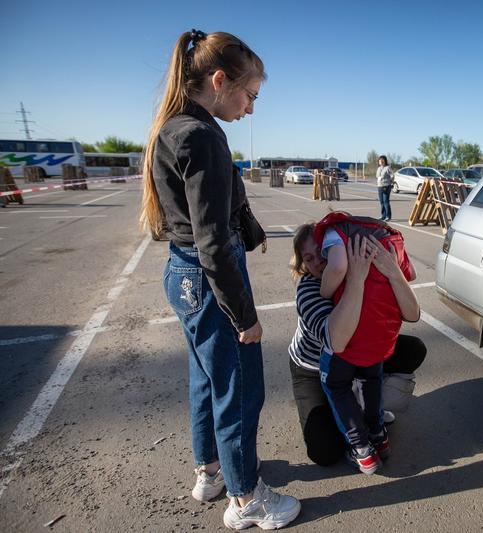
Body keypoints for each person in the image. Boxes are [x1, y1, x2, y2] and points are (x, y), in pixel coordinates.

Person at [140, 29, 300, 529]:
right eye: (250, 95)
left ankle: (212, 471)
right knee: (238, 386)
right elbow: (211, 240)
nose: (251, 108)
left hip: (184, 274)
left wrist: (249, 231)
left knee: (205, 380)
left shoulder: (175, 127)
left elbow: (202, 218)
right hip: (209, 276)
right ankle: (246, 498)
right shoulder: (202, 135)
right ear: (218, 80)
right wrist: (246, 316)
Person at [288, 222, 425, 469]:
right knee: (325, 452)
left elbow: (413, 315)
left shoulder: (363, 268)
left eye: (321, 252)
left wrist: (394, 271)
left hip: (356, 356)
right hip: (312, 367)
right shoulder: (309, 288)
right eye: (308, 258)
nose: (318, 261)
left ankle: (371, 418)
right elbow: (336, 343)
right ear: (302, 265)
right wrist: (355, 281)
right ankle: (355, 419)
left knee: (413, 349)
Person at [376, 155, 393, 221]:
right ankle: (383, 215)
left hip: (386, 186)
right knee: (381, 202)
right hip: (379, 186)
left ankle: (388, 216)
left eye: (382, 160)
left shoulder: (388, 168)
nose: (381, 161)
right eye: (380, 160)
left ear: (385, 161)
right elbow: (377, 177)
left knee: (386, 201)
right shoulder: (378, 168)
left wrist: (390, 183)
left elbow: (392, 175)